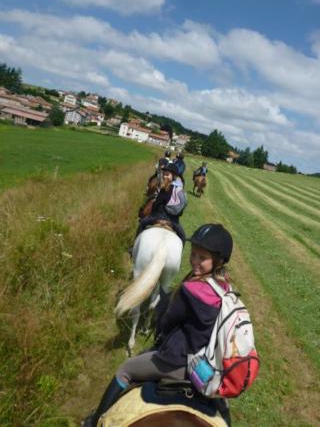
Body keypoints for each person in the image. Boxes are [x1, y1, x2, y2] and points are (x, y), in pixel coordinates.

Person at [83, 223, 233, 427]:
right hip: (208, 368)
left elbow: (166, 322)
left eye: (202, 258)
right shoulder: (226, 289)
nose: (195, 262)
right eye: (193, 254)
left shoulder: (191, 289)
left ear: (218, 260)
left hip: (177, 363)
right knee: (223, 408)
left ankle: (93, 421)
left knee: (125, 370)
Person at [138, 163, 187, 242]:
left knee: (142, 223)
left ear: (173, 176)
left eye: (167, 175)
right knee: (182, 237)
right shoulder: (180, 190)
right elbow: (182, 207)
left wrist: (153, 209)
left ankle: (133, 247)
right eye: (164, 174)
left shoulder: (164, 188)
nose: (164, 176)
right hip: (174, 221)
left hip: (158, 216)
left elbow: (156, 204)